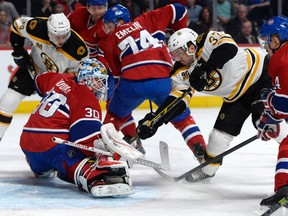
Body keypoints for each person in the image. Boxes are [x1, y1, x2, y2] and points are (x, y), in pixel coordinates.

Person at [137, 27, 282, 182]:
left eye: (179, 53)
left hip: (262, 76)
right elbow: (179, 100)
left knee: (266, 122)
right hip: (235, 98)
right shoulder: (180, 72)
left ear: (191, 47)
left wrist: (205, 68)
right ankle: (207, 171)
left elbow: (229, 48)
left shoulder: (207, 40)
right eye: (174, 55)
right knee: (218, 138)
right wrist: (156, 120)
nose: (177, 59)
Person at [102, 4, 207, 162]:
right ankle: (200, 151)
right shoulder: (146, 19)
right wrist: (177, 31)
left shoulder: (109, 41)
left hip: (132, 82)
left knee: (115, 115)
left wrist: (120, 102)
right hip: (162, 79)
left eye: (110, 26)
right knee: (182, 117)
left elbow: (117, 76)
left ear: (120, 22)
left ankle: (104, 155)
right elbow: (179, 9)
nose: (109, 30)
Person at [20, 58, 132, 197]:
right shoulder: (85, 95)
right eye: (97, 80)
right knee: (86, 159)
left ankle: (39, 167)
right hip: (52, 146)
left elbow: (39, 80)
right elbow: (87, 139)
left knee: (50, 152)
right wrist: (111, 154)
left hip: (27, 144)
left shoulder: (57, 79)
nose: (101, 85)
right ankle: (95, 179)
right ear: (85, 80)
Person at [0, 13, 88, 143]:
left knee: (63, 115)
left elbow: (78, 75)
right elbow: (17, 26)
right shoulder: (37, 27)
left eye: (64, 36)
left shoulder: (78, 49)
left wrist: (62, 84)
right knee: (8, 101)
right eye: (56, 36)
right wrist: (18, 51)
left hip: (57, 80)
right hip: (34, 67)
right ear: (48, 31)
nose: (60, 41)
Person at [67, 0, 141, 152]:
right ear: (88, 8)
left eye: (101, 7)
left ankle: (132, 138)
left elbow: (107, 51)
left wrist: (96, 70)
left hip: (105, 69)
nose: (98, 11)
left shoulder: (107, 23)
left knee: (114, 105)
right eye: (94, 7)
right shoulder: (78, 15)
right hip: (84, 67)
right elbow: (66, 31)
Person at [256, 16, 288, 208]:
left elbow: (285, 105)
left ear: (275, 40)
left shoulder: (283, 59)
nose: (264, 46)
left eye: (265, 41)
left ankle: (284, 190)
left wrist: (268, 98)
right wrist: (269, 118)